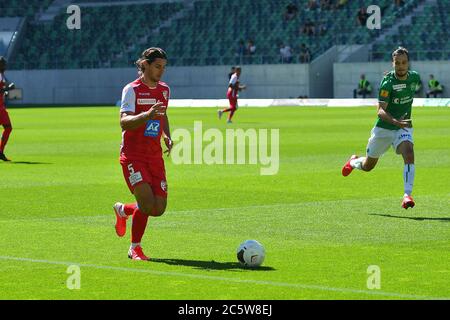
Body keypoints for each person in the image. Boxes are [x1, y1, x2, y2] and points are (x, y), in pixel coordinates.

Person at [342, 47, 421, 209]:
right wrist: (396, 122)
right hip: (384, 129)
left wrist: (402, 122)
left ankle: (407, 195)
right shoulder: (388, 83)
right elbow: (380, 111)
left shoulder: (414, 78)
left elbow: (408, 99)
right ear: (393, 63)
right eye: (397, 63)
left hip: (403, 127)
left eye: (404, 62)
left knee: (409, 153)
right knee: (368, 166)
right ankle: (354, 161)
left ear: (408, 63)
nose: (401, 66)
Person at [113, 47, 173, 260]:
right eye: (158, 67)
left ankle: (123, 210)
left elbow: (163, 114)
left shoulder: (164, 90)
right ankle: (134, 248)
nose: (161, 71)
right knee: (147, 204)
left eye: (164, 67)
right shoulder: (132, 90)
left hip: (154, 155)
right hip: (133, 154)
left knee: (158, 208)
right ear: (145, 65)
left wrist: (167, 135)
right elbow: (124, 122)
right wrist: (147, 115)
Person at [0, 56, 14, 161]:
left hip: (1, 107)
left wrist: (5, 91)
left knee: (8, 128)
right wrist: (8, 88)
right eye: (3, 64)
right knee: (8, 128)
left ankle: (0, 151)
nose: (5, 66)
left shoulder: (1, 75)